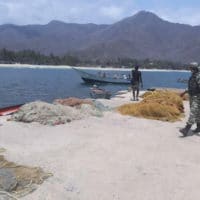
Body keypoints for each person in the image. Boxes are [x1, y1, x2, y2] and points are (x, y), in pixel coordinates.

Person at [179, 65, 200, 137]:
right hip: (192, 96)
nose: (190, 70)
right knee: (196, 113)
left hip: (197, 97)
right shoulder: (193, 76)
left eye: (191, 68)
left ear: (195, 68)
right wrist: (184, 92)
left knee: (193, 113)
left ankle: (186, 129)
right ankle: (199, 127)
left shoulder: (198, 76)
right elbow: (191, 86)